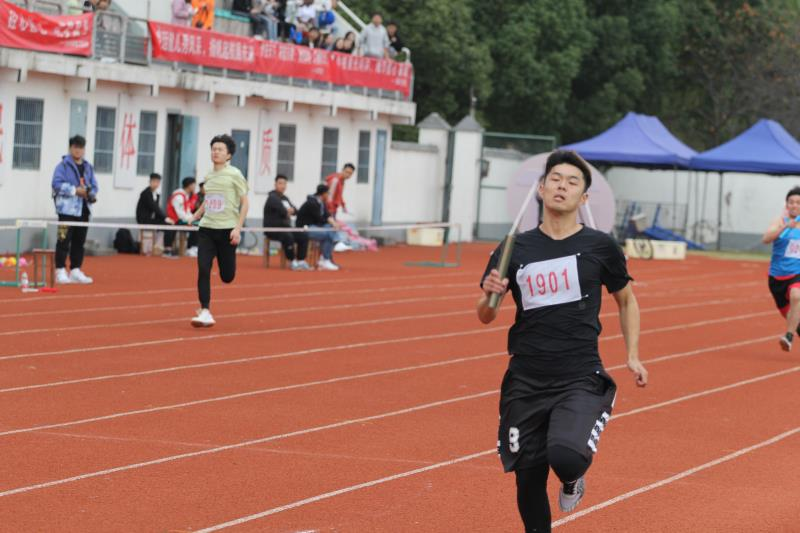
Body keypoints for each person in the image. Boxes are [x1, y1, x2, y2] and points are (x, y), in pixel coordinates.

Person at [477, 150, 648, 532]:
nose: (562, 186)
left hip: (578, 375)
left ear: (583, 197)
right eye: (555, 179)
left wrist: (633, 355)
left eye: (572, 182)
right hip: (525, 378)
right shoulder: (513, 248)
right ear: (541, 188)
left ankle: (572, 479)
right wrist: (489, 294)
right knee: (527, 477)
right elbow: (485, 314)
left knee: (566, 457)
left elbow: (626, 300)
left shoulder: (600, 246)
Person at [190, 134, 249, 327]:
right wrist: (195, 215)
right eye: (213, 149)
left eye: (220, 149)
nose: (215, 152)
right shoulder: (209, 176)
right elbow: (208, 200)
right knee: (203, 268)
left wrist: (238, 228)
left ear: (228, 155)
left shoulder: (235, 174)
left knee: (227, 276)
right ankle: (205, 311)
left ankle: (206, 309)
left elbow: (245, 203)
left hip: (227, 231)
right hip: (207, 229)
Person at [51, 135, 98, 285]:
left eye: (81, 147)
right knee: (63, 240)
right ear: (70, 148)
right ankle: (60, 270)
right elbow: (56, 184)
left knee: (79, 241)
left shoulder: (88, 167)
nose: (78, 150)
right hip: (66, 211)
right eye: (75, 147)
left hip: (84, 210)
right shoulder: (63, 166)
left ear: (84, 150)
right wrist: (75, 190)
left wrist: (90, 193)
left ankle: (75, 270)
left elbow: (95, 186)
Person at [762, 186, 800, 351]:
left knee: (797, 296)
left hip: (797, 274)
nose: (794, 205)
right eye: (791, 202)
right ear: (786, 205)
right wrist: (785, 227)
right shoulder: (779, 222)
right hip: (776, 278)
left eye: (798, 202)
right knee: (795, 320)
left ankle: (788, 337)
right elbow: (766, 239)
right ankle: (794, 331)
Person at [263, 175, 311, 271]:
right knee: (288, 236)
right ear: (275, 184)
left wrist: (290, 211)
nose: (282, 186)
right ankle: (292, 261)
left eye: (284, 184)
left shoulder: (285, 198)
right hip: (273, 229)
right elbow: (283, 211)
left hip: (286, 227)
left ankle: (301, 260)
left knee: (303, 235)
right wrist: (288, 211)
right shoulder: (272, 198)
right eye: (280, 183)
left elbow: (295, 211)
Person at [295, 184, 341, 271]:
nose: (329, 195)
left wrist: (334, 223)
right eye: (328, 193)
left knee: (331, 228)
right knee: (328, 234)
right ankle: (326, 258)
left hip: (315, 226)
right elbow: (319, 219)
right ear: (323, 194)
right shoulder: (312, 203)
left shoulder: (321, 203)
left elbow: (327, 215)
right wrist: (331, 224)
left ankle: (325, 259)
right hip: (305, 228)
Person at [166, 177, 200, 257]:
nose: (195, 187)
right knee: (196, 225)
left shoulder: (185, 195)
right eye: (194, 185)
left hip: (181, 219)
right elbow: (180, 214)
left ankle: (193, 247)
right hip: (175, 220)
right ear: (189, 185)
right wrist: (191, 220)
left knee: (198, 223)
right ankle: (191, 248)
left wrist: (193, 217)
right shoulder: (179, 196)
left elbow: (187, 211)